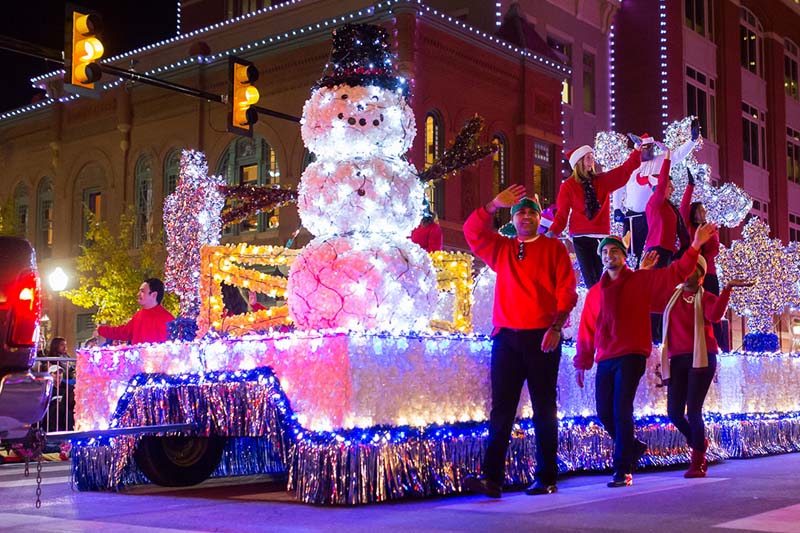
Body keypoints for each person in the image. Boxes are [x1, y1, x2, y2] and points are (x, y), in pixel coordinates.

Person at [573, 220, 718, 488]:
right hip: (605, 357)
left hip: (631, 354)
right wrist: (582, 360)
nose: (609, 256)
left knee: (620, 409)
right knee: (604, 412)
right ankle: (633, 446)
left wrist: (696, 245)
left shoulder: (640, 280)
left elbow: (675, 273)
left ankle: (622, 470)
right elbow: (587, 327)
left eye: (614, 251)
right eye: (605, 253)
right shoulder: (595, 293)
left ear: (624, 256)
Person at [462, 184, 578, 498]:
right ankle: (493, 479)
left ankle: (546, 477)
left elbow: (567, 289)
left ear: (539, 217)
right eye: (520, 212)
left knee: (544, 409)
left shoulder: (553, 249)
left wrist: (556, 327)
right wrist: (491, 205)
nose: (526, 216)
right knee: (501, 410)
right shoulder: (502, 248)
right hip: (506, 340)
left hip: (543, 338)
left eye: (531, 212)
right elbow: (472, 232)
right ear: (513, 219)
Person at [652, 255, 753, 478]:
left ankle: (698, 462)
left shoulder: (705, 297)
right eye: (684, 269)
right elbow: (648, 299)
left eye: (693, 270)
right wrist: (645, 271)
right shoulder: (671, 297)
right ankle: (699, 441)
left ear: (700, 274)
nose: (687, 274)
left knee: (694, 409)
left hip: (702, 358)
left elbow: (716, 315)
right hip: (677, 358)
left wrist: (726, 289)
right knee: (674, 412)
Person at [548, 143, 641, 288]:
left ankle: (602, 306)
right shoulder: (568, 186)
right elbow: (562, 214)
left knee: (598, 279)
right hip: (581, 238)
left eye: (592, 157)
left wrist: (637, 151)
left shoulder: (602, 180)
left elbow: (624, 171)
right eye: (587, 157)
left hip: (600, 237)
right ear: (578, 162)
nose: (592, 160)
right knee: (591, 280)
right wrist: (552, 232)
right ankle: (597, 307)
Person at [612, 123, 701, 265]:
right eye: (647, 148)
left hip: (652, 216)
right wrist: (616, 207)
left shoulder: (659, 160)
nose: (651, 151)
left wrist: (692, 140)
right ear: (640, 148)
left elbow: (677, 154)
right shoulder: (631, 165)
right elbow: (618, 185)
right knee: (631, 254)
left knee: (652, 252)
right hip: (633, 216)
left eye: (652, 147)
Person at [680, 169, 726, 351]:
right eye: (700, 210)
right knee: (690, 308)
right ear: (694, 214)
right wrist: (690, 186)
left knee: (713, 308)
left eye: (704, 211)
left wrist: (701, 259)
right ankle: (692, 343)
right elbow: (683, 208)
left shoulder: (710, 229)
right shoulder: (689, 227)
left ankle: (719, 345)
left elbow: (714, 249)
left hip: (709, 274)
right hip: (691, 274)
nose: (703, 213)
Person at [643, 150, 690, 268]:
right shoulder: (654, 203)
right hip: (656, 250)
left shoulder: (669, 206)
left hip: (667, 251)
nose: (673, 189)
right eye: (670, 186)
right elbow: (662, 182)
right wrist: (667, 157)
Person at [96, 278, 175, 345]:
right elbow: (124, 332)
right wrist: (102, 330)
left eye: (142, 291)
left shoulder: (167, 319)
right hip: (139, 361)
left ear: (154, 295)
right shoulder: (138, 315)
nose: (138, 294)